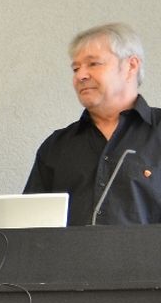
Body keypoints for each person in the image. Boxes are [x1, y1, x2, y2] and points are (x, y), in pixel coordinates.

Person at [24, 22, 161, 225]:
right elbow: (30, 228)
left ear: (131, 66)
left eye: (93, 64)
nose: (81, 75)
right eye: (76, 68)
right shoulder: (56, 146)